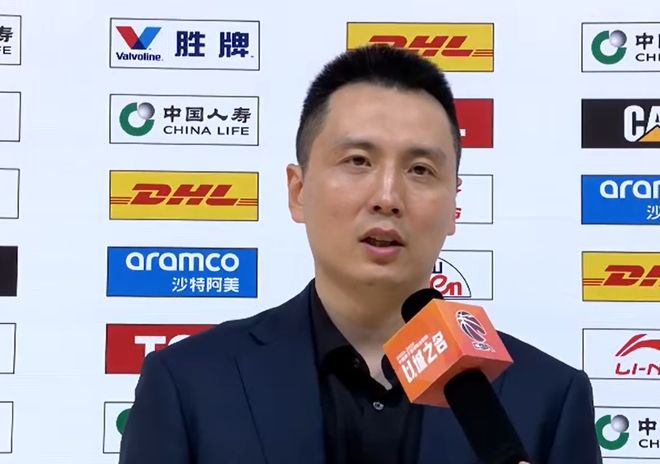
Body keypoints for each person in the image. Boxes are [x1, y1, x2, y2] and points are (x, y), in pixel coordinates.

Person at [118, 44, 602, 464]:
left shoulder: (547, 400)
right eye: (358, 161)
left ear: (454, 205)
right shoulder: (188, 385)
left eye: (420, 169)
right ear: (297, 191)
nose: (387, 196)